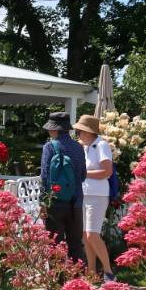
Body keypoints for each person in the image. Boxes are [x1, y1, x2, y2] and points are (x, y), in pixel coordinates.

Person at [40, 111, 86, 265]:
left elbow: (45, 177)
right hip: (76, 202)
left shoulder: (49, 147)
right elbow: (83, 175)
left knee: (54, 243)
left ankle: (55, 285)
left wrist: (43, 203)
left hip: (55, 202)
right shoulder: (78, 148)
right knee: (75, 244)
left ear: (55, 129)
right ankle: (76, 285)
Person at [73, 114, 115, 281]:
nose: (78, 134)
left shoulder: (101, 145)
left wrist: (82, 173)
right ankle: (91, 274)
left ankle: (109, 273)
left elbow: (107, 172)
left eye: (80, 131)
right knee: (85, 235)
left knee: (92, 235)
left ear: (89, 132)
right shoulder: (86, 147)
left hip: (97, 195)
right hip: (85, 194)